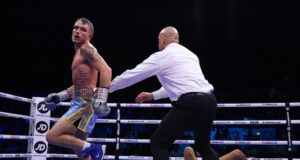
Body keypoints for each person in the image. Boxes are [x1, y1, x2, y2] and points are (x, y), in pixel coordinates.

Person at [109, 26, 218, 160]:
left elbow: (134, 74)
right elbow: (183, 85)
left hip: (190, 103)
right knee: (204, 147)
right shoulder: (191, 55)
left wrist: (108, 88)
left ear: (163, 39)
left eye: (158, 39)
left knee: (158, 143)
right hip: (210, 101)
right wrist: (153, 95)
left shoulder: (163, 56)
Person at [44, 17, 112, 160]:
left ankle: (95, 147)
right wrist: (60, 96)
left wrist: (102, 99)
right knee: (81, 152)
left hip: (86, 102)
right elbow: (79, 84)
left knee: (52, 136)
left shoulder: (87, 49)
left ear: (89, 36)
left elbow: (106, 70)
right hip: (82, 99)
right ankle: (90, 149)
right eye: (76, 28)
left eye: (83, 29)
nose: (77, 31)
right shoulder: (79, 52)